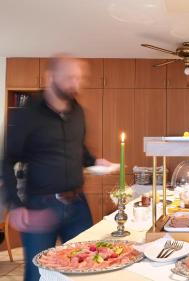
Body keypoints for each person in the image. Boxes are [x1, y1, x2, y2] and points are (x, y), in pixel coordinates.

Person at [2, 55, 112, 281]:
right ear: (50, 77)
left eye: (79, 79)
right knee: (38, 273)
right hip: (39, 206)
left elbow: (78, 149)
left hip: (77, 205)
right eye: (70, 78)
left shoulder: (77, 111)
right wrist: (14, 205)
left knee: (86, 268)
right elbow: (6, 160)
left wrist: (93, 161)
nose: (76, 84)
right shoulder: (28, 113)